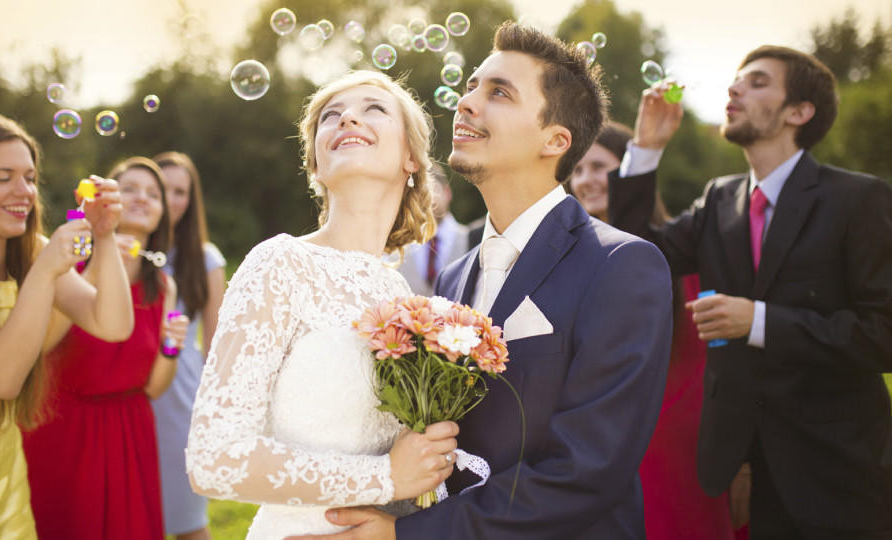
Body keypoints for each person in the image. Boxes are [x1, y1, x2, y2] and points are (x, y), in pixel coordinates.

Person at [299, 22, 674, 539]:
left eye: (498, 92)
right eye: (471, 85)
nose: (467, 102)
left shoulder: (622, 265)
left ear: (555, 140)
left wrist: (404, 535)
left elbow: (586, 471)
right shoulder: (453, 278)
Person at [607, 45, 892, 538]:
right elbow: (638, 255)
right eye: (736, 80)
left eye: (757, 81)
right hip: (748, 474)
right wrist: (647, 148)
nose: (734, 88)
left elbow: (883, 334)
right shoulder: (721, 199)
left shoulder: (858, 199)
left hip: (841, 473)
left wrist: (758, 321)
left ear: (799, 112)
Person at [185, 70, 460, 540]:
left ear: (412, 157)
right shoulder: (280, 264)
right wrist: (385, 478)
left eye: (373, 108)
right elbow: (214, 458)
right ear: (315, 164)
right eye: (330, 117)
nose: (348, 117)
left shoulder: (411, 306)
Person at [0, 113, 133, 539]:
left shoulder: (29, 251)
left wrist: (105, 236)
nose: (23, 192)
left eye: (29, 177)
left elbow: (112, 324)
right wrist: (43, 273)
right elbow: (0, 377)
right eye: (3, 177)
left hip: (3, 482)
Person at [568, 121, 737, 540]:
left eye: (600, 166)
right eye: (579, 169)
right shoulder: (564, 257)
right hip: (590, 435)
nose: (587, 180)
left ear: (631, 175)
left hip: (672, 436)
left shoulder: (675, 253)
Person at [22, 156, 189, 540]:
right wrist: (97, 261)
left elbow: (152, 388)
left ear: (163, 213)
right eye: (128, 189)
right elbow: (40, 344)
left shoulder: (164, 287)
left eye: (153, 194)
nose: (142, 198)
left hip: (128, 434)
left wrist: (171, 348)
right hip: (62, 430)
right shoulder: (67, 264)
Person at [150, 151, 226, 540]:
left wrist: (215, 418)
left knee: (188, 523)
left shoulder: (205, 259)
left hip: (180, 405)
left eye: (180, 191)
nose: (170, 199)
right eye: (162, 188)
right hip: (128, 396)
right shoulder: (119, 250)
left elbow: (217, 347)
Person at [397, 162, 469, 295]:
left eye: (430, 190)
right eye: (417, 193)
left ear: (447, 193)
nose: (424, 199)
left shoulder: (473, 240)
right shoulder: (398, 250)